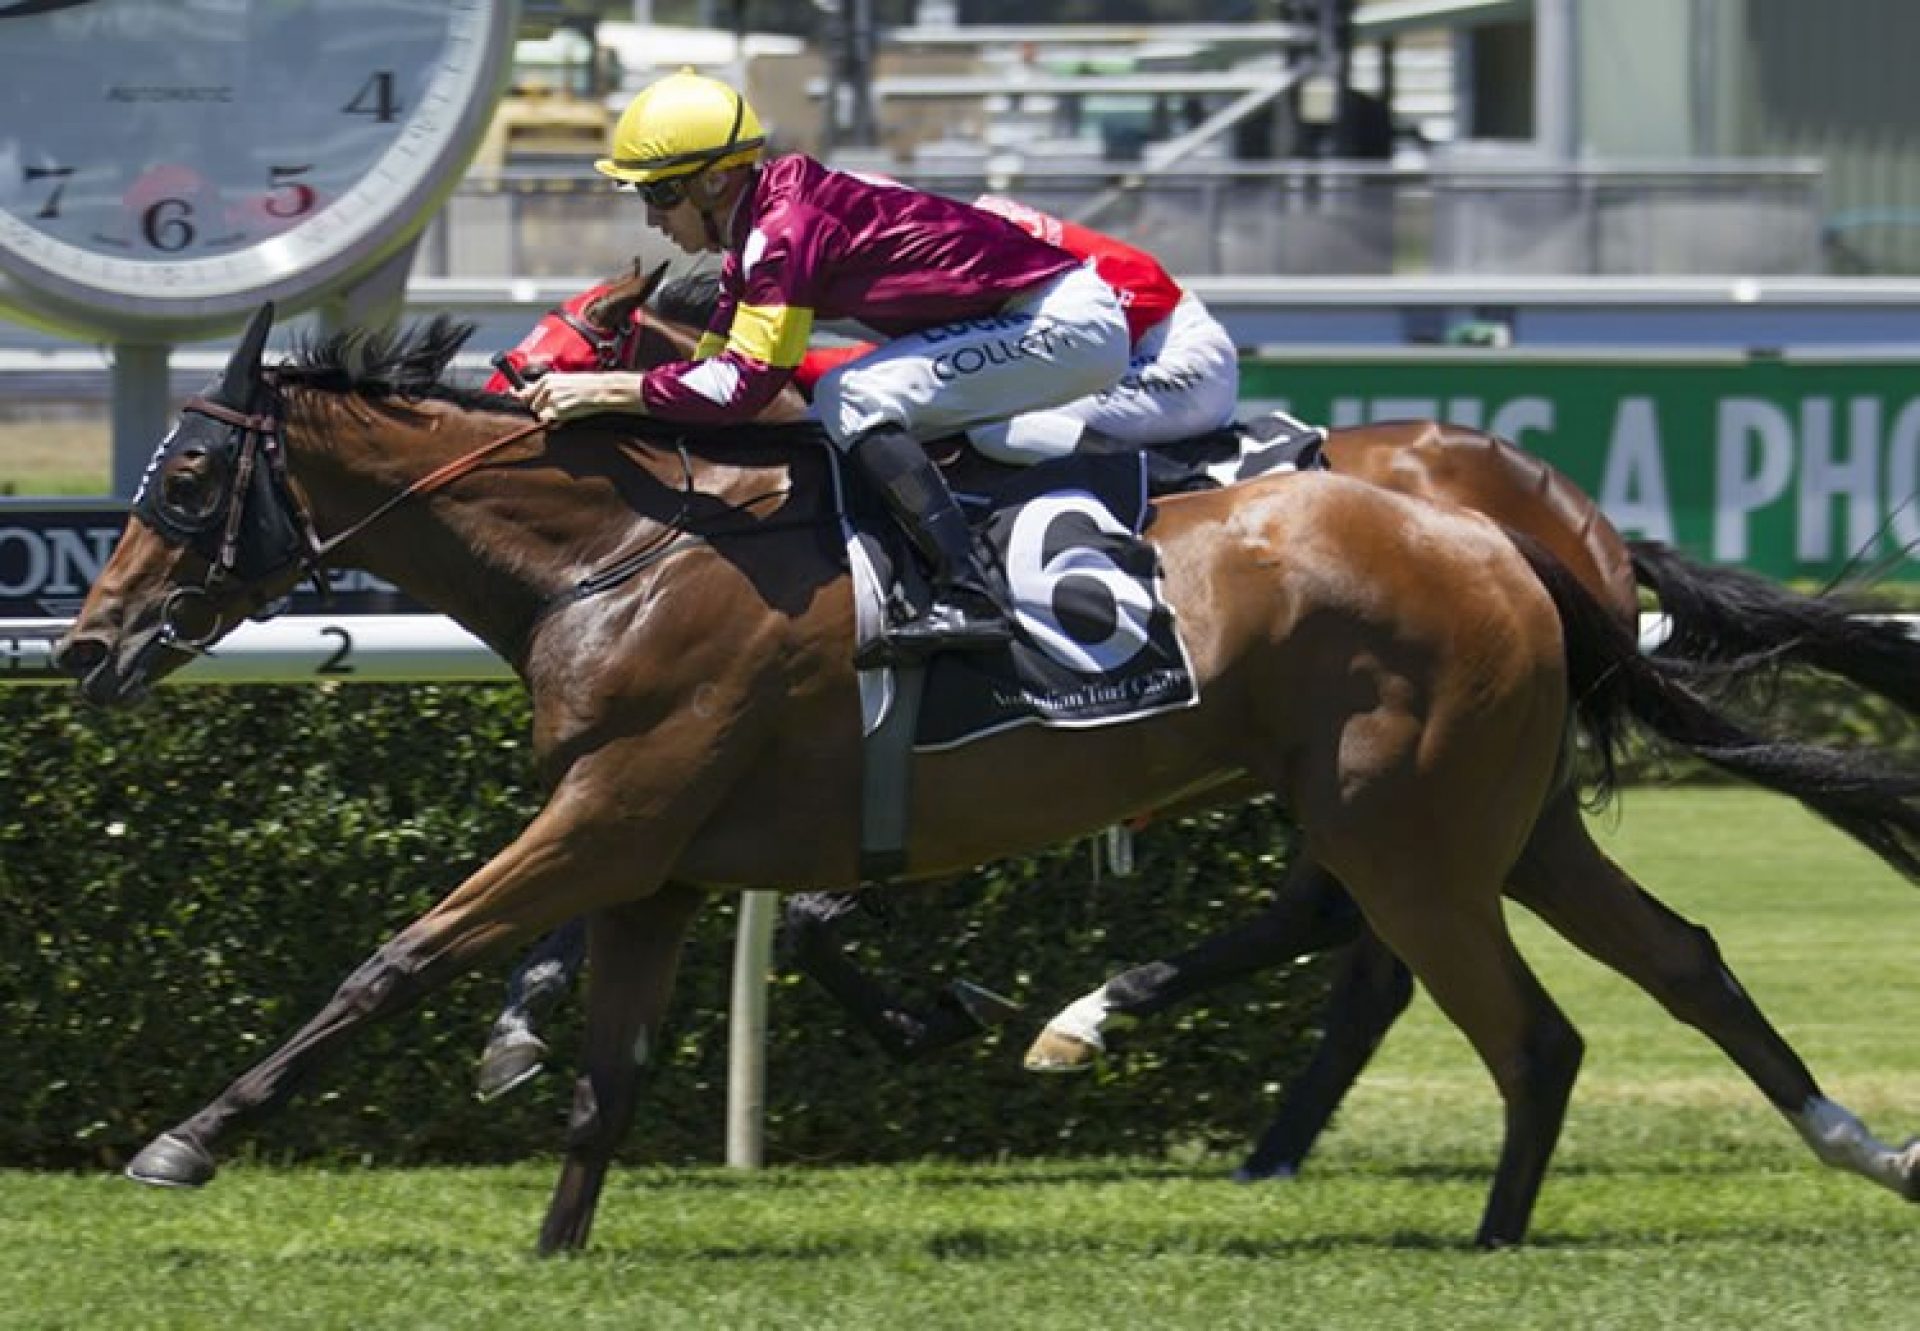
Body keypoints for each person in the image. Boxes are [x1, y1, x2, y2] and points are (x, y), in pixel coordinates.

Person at [518, 68, 1133, 664]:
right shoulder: (754, 235)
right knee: (861, 402)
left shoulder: (784, 230)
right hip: (1030, 317)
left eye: (659, 193)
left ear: (714, 182)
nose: (652, 218)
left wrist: (602, 390)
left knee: (851, 394)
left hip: (1062, 321)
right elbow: (707, 372)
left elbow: (741, 388)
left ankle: (969, 595)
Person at [790, 193, 1240, 463]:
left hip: (1174, 354)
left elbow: (1147, 289)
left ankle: (1174, 484)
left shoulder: (977, 237)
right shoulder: (932, 244)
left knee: (1002, 428)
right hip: (1125, 346)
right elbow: (904, 362)